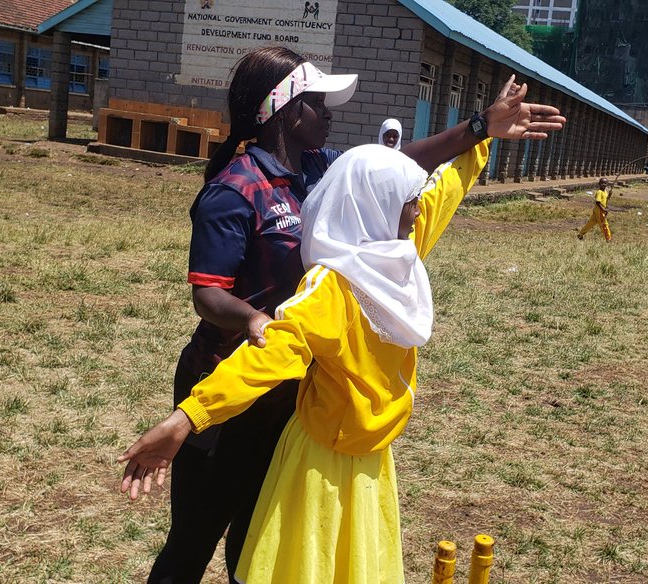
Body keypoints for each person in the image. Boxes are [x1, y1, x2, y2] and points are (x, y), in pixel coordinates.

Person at [139, 45, 565, 584]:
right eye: (320, 103)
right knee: (195, 535)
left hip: (298, 394)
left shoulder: (321, 169)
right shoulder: (235, 190)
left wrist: (479, 130)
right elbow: (207, 294)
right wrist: (250, 323)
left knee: (255, 537)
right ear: (290, 112)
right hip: (233, 378)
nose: (332, 113)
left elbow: (389, 178)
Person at [119, 140, 492, 583]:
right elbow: (272, 356)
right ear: (376, 206)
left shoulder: (394, 258)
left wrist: (485, 136)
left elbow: (442, 196)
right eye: (407, 203)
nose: (415, 213)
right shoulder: (330, 287)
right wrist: (187, 418)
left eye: (411, 203)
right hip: (321, 461)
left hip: (370, 457)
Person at [577, 177, 612, 242]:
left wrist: (609, 195)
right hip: (599, 211)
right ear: (599, 184)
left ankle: (580, 234)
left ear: (607, 184)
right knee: (604, 224)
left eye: (605, 183)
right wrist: (604, 209)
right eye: (602, 183)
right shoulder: (599, 192)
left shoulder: (605, 192)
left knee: (590, 223)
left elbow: (606, 200)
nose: (603, 184)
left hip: (597, 211)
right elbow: (598, 202)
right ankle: (608, 238)